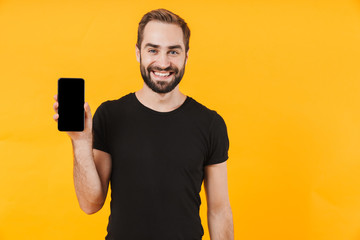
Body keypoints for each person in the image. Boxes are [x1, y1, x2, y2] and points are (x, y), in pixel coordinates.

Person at [53, 8, 233, 240]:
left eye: (173, 51)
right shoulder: (110, 115)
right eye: (153, 50)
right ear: (138, 53)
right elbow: (90, 204)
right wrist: (80, 142)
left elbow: (219, 210)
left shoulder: (210, 124)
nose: (163, 62)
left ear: (186, 56)